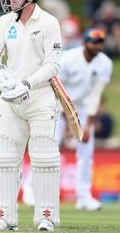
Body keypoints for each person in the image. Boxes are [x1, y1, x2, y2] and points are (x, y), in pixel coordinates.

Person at [0, 0, 62, 231]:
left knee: (44, 159)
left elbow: (53, 65)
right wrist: (0, 76)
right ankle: (5, 217)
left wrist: (27, 83)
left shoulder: (49, 23)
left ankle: (46, 216)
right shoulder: (6, 22)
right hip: (10, 99)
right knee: (4, 159)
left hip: (40, 99)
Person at [22, 28, 113, 211]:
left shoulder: (105, 63)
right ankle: (30, 189)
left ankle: (84, 197)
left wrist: (87, 126)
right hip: (57, 103)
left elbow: (95, 96)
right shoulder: (68, 59)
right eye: (93, 42)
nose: (97, 46)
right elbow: (55, 87)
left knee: (86, 150)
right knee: (49, 146)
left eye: (100, 42)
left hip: (83, 108)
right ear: (84, 42)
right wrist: (66, 122)